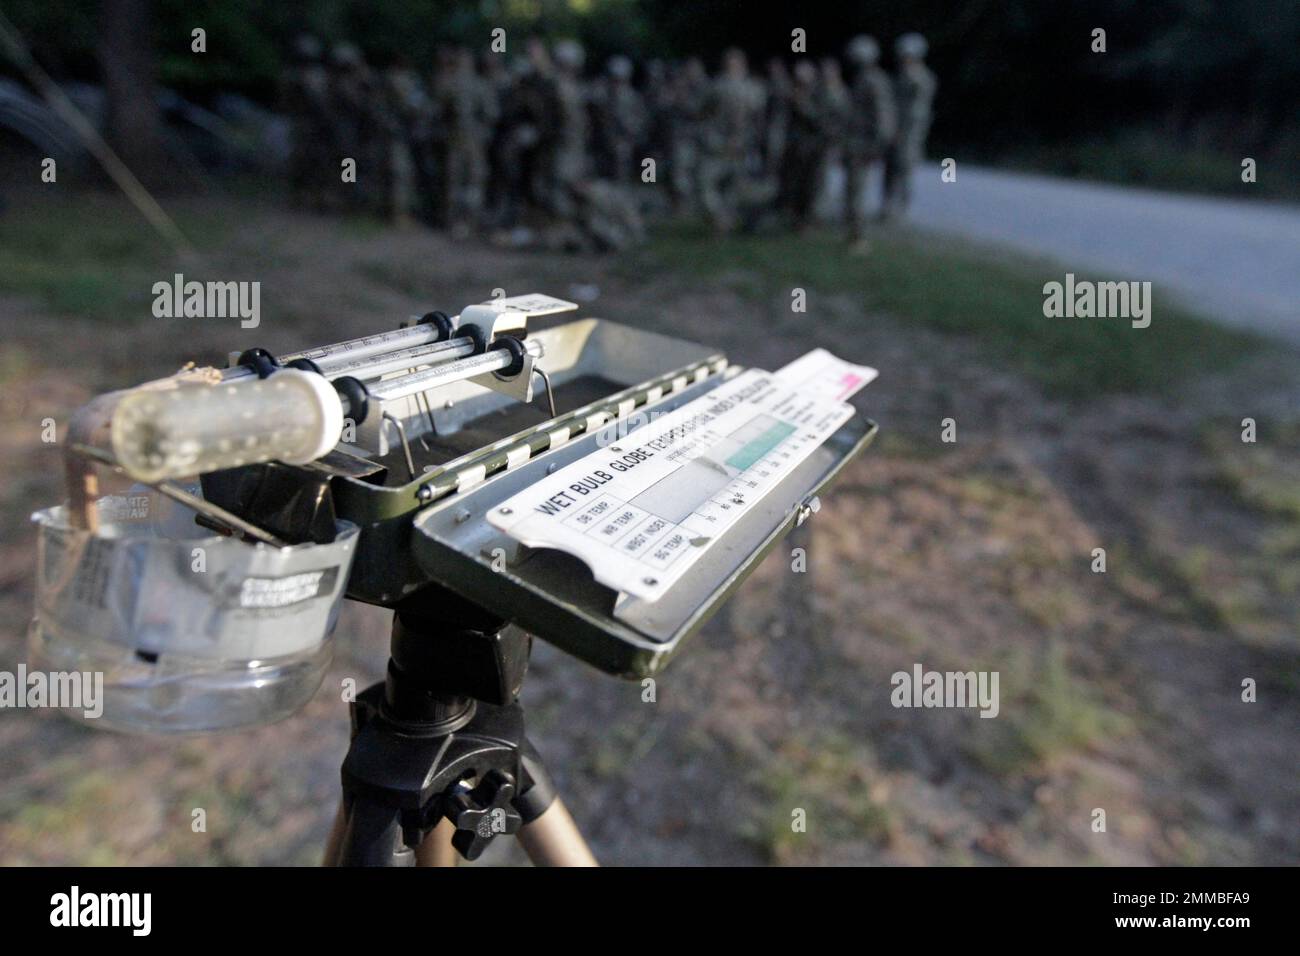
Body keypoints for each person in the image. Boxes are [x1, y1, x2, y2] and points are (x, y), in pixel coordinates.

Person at [697, 48, 765, 233]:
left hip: (740, 146)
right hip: (718, 145)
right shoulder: (717, 86)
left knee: (733, 189)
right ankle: (718, 217)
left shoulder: (753, 89)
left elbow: (758, 120)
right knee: (706, 184)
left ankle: (725, 221)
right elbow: (703, 113)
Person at [843, 35, 896, 238]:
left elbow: (883, 118)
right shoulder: (863, 79)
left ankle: (858, 235)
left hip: (864, 144)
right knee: (852, 190)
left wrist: (877, 146)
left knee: (856, 191)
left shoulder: (874, 81)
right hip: (856, 142)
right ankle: (853, 231)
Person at [882, 32, 936, 221]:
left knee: (904, 168)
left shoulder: (921, 78)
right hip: (895, 129)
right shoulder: (901, 76)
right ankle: (886, 205)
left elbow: (917, 111)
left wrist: (901, 131)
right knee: (889, 169)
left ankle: (901, 208)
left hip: (909, 132)